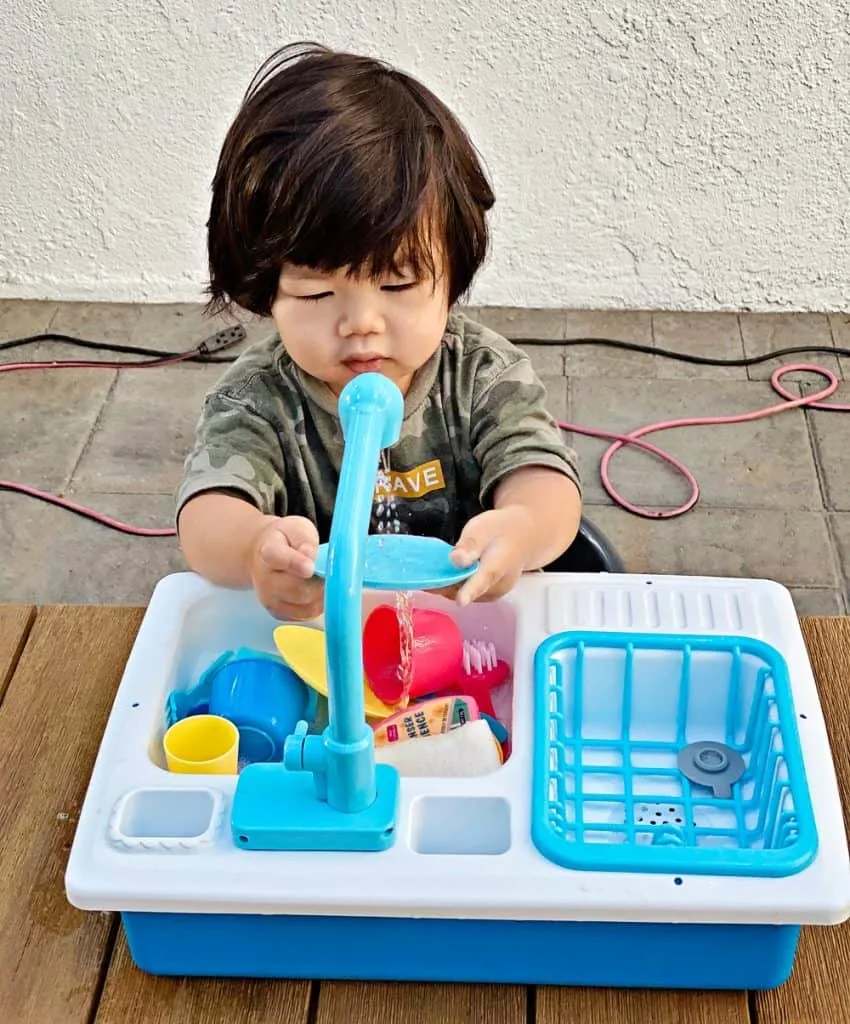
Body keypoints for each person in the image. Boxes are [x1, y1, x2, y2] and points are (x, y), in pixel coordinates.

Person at [176, 42, 581, 622]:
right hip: (324, 635)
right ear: (266, 291)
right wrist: (252, 548)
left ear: (452, 277)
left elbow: (545, 480)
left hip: (465, 628)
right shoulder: (259, 399)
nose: (361, 322)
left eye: (397, 285)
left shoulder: (482, 377)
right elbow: (207, 513)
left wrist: (522, 526)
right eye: (316, 293)